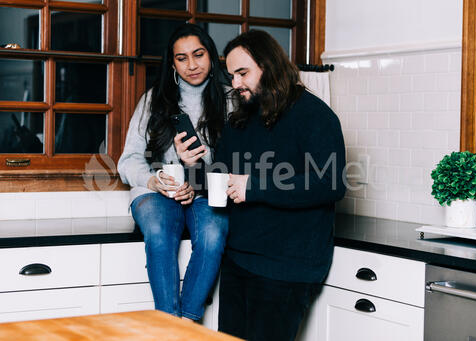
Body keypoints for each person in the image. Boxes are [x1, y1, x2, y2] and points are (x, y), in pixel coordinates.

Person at [214, 30, 346, 340]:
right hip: (237, 259)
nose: (235, 83)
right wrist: (191, 163)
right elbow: (220, 178)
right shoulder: (240, 120)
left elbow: (330, 183)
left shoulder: (315, 116)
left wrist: (255, 187)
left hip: (286, 267)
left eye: (242, 72)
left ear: (269, 65)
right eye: (232, 75)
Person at [117, 23, 229, 321]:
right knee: (158, 233)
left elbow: (234, 166)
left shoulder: (230, 100)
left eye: (199, 54)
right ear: (172, 62)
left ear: (211, 55)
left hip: (203, 192)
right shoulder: (153, 100)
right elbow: (128, 161)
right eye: (182, 58)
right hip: (156, 192)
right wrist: (152, 181)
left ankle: (187, 324)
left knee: (214, 236)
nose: (192, 65)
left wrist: (195, 175)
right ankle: (168, 323)